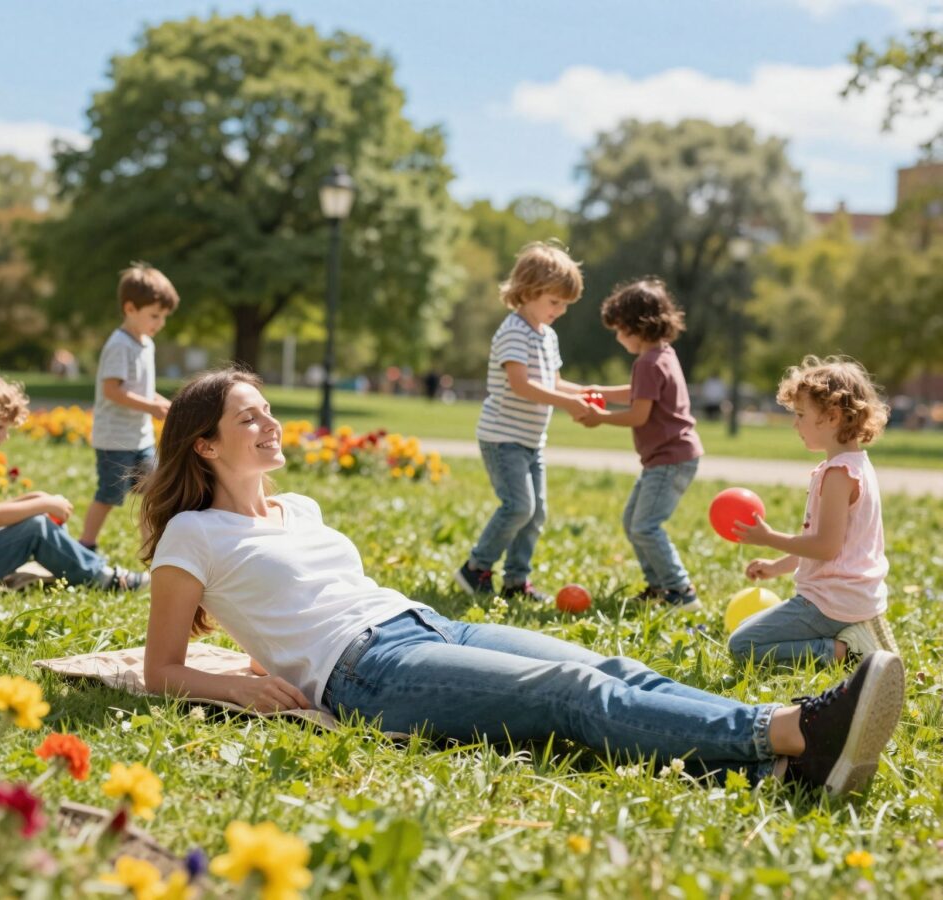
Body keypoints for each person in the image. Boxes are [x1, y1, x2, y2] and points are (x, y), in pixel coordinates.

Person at [140, 368, 904, 796]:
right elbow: (161, 670)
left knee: (609, 666)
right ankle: (790, 730)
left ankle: (784, 758)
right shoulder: (193, 535)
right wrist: (238, 687)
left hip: (425, 625)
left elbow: (293, 603)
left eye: (269, 410)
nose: (272, 424)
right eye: (250, 418)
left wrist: (268, 649)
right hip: (368, 671)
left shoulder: (299, 507)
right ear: (204, 445)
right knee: (567, 694)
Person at [0, 368, 146, 590]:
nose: (5, 436)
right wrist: (44, 504)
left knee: (37, 511)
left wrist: (35, 500)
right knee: (36, 527)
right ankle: (104, 578)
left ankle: (84, 564)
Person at [729, 356, 900, 664]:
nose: (795, 424)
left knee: (742, 646)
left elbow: (825, 547)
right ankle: (850, 634)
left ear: (832, 416)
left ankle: (846, 652)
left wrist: (768, 537)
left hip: (832, 603)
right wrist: (776, 567)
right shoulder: (856, 465)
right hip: (849, 598)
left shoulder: (838, 475)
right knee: (746, 627)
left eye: (800, 415)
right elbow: (828, 546)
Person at [455, 242, 593, 601]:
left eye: (565, 304)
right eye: (554, 302)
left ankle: (516, 581)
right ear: (529, 291)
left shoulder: (548, 335)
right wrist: (568, 403)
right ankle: (475, 568)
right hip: (503, 438)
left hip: (532, 441)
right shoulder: (514, 330)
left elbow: (555, 382)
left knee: (535, 513)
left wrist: (591, 394)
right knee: (518, 507)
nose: (560, 310)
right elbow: (521, 384)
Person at [579, 280, 704, 609]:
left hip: (669, 459)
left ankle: (680, 590)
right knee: (634, 522)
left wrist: (600, 417)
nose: (618, 338)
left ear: (637, 326)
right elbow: (639, 392)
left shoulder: (647, 363)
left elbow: (638, 414)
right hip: (671, 457)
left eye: (620, 330)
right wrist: (601, 392)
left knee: (645, 526)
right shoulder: (663, 355)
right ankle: (658, 586)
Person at [78, 262, 179, 551]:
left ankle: (151, 549)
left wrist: (161, 403)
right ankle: (86, 544)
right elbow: (112, 390)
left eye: (164, 317)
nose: (160, 323)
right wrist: (151, 408)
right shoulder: (120, 344)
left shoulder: (146, 344)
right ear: (130, 309)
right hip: (115, 439)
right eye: (155, 316)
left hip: (140, 438)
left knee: (154, 492)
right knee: (109, 495)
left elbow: (140, 389)